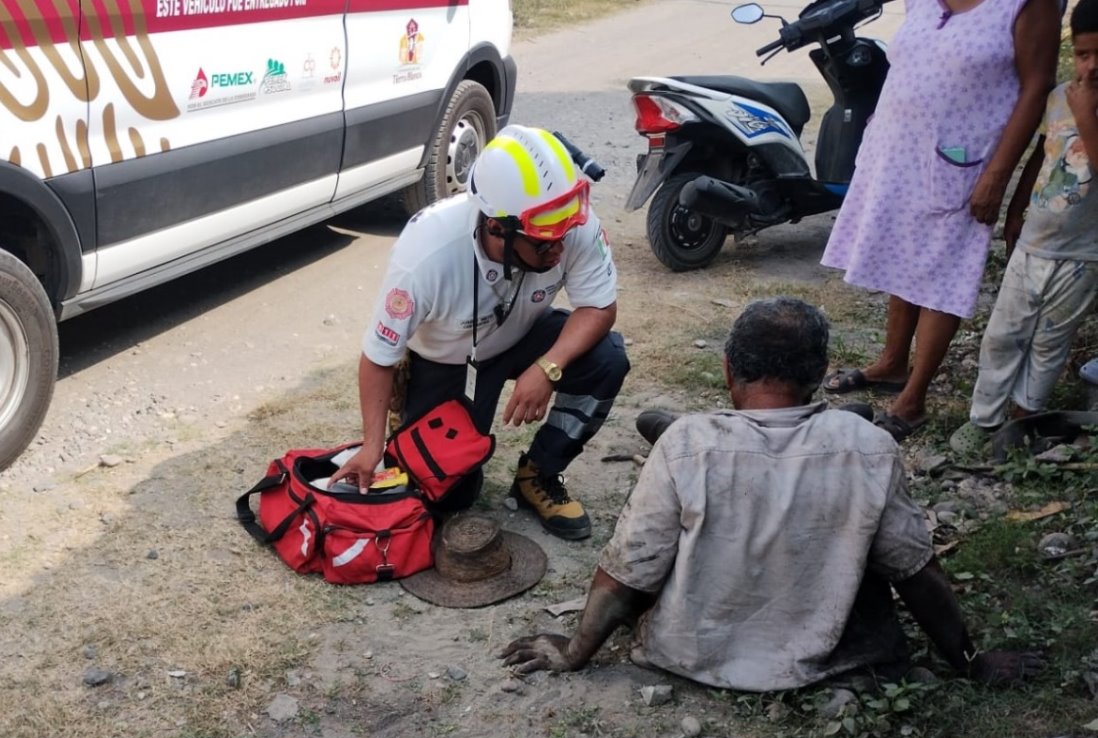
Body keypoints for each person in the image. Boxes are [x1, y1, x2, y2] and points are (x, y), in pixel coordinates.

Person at [501, 297, 1044, 690]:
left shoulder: (686, 443)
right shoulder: (868, 444)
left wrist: (574, 651)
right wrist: (970, 659)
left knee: (682, 481)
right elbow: (914, 569)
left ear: (727, 371)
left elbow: (630, 570)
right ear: (820, 376)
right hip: (835, 662)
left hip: (691, 656)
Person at [331, 125, 629, 541]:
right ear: (497, 228)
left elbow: (599, 306)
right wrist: (371, 445)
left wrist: (548, 367)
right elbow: (379, 356)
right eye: (545, 245)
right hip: (448, 359)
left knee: (608, 359)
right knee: (450, 497)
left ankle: (539, 474)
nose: (560, 249)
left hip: (524, 333)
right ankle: (419, 423)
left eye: (563, 237)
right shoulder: (426, 254)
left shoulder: (564, 219)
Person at [819, 0, 1062, 442]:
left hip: (964, 158)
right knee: (904, 252)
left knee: (943, 268)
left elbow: (1037, 85)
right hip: (898, 148)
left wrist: (998, 175)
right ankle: (893, 362)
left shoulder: (1028, 4)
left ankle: (913, 399)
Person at [951, 0, 1098, 457]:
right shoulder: (1059, 98)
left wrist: (1086, 111)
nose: (1091, 67)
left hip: (1083, 255)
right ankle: (984, 418)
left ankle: (1024, 415)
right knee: (1003, 334)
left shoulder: (1082, 102)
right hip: (1035, 242)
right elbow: (1041, 154)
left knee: (1051, 339)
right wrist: (1016, 210)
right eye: (1084, 54)